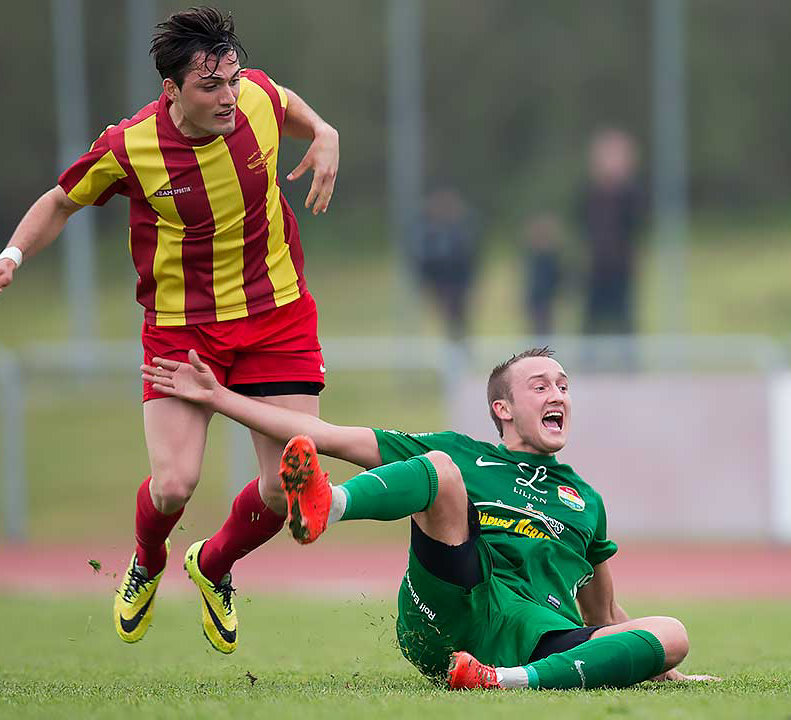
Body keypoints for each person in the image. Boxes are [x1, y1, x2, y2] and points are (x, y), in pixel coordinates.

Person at [0, 7, 340, 654]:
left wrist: (325, 131)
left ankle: (215, 564)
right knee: (174, 484)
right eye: (210, 86)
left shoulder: (251, 96)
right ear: (171, 90)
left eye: (232, 78)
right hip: (180, 328)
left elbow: (286, 102)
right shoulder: (130, 146)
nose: (229, 96)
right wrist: (9, 260)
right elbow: (60, 201)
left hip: (277, 314)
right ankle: (149, 559)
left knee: (286, 490)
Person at [142, 346, 720, 689]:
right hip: (447, 614)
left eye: (565, 387)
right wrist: (218, 398)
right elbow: (323, 435)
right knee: (439, 470)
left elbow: (606, 614)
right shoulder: (464, 451)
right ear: (504, 408)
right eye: (541, 385)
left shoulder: (586, 501)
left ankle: (503, 685)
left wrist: (658, 661)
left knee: (673, 631)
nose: (559, 396)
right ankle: (328, 506)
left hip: (534, 646)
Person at [577, 128, 647, 336]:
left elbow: (636, 228)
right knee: (590, 321)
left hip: (621, 266)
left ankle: (629, 365)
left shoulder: (632, 195)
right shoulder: (589, 194)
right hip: (595, 266)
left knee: (624, 319)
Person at [412, 187, 479, 341]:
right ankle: (454, 344)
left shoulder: (461, 229)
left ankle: (459, 345)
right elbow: (422, 259)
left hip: (458, 281)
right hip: (439, 281)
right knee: (450, 316)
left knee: (458, 316)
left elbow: (469, 257)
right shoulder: (427, 230)